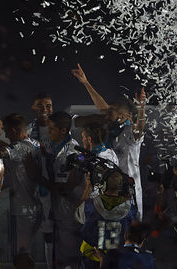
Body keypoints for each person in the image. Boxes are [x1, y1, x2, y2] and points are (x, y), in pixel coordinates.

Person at [72, 63, 146, 219]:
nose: (105, 114)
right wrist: (86, 83)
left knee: (130, 232)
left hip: (128, 192)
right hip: (110, 191)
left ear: (124, 117)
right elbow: (103, 107)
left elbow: (139, 128)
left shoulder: (129, 134)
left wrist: (141, 108)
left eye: (110, 112)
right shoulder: (112, 129)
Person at [0, 114, 43, 263]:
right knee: (28, 252)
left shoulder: (20, 147)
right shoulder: (34, 143)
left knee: (22, 253)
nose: (6, 135)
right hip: (35, 206)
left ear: (15, 130)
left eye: (7, 131)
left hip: (24, 209)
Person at [75, 171, 138, 269]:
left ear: (103, 185)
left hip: (92, 258)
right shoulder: (131, 210)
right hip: (117, 261)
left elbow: (77, 214)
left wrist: (88, 187)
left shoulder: (89, 206)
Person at [45, 112, 83, 269]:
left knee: (70, 252)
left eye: (52, 129)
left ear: (63, 131)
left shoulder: (72, 153)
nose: (49, 133)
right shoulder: (54, 148)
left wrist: (40, 180)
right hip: (59, 210)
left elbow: (67, 186)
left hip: (68, 211)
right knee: (60, 252)